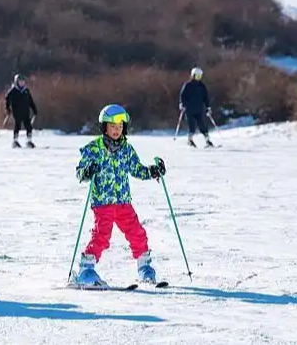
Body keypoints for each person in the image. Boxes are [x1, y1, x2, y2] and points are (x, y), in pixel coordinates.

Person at [74, 104, 166, 286]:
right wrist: (87, 171)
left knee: (137, 232)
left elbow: (137, 170)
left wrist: (154, 171)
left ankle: (144, 267)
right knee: (102, 235)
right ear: (104, 127)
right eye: (112, 127)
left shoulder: (127, 150)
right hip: (103, 202)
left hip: (124, 202)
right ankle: (86, 270)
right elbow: (80, 173)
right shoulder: (94, 149)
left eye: (120, 127)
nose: (116, 131)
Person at [179, 67, 214, 148]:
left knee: (202, 125)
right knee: (192, 126)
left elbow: (205, 98)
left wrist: (208, 107)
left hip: (198, 109)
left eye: (200, 76)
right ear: (193, 75)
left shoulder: (202, 86)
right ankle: (190, 140)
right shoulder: (188, 85)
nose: (198, 78)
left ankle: (208, 140)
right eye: (197, 76)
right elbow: (182, 95)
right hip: (189, 109)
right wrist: (182, 104)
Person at [5, 74, 38, 148]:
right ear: (16, 82)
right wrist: (7, 108)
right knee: (18, 125)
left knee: (28, 126)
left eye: (23, 81)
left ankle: (29, 141)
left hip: (26, 112)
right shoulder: (13, 90)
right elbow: (7, 99)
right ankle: (15, 141)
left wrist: (34, 109)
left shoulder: (26, 90)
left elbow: (30, 101)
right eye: (20, 81)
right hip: (17, 112)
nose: (22, 83)